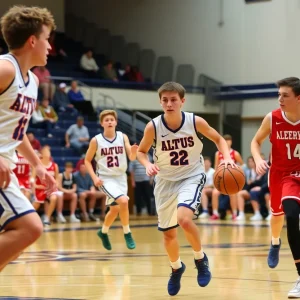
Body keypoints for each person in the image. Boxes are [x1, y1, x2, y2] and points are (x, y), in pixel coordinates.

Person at [137, 82, 235, 296]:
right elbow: (141, 152)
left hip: (191, 175)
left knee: (184, 219)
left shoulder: (194, 121)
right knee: (168, 235)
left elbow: (219, 139)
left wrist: (226, 158)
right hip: (164, 181)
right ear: (160, 102)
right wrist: (148, 165)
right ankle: (176, 267)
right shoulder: (153, 126)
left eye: (173, 100)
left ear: (183, 101)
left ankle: (200, 259)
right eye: (165, 100)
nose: (169, 104)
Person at [0, 5, 56, 271]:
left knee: (15, 245)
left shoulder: (32, 82)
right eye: (46, 39)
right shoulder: (4, 69)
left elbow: (17, 131)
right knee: (29, 227)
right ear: (32, 40)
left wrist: (37, 165)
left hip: (6, 165)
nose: (50, 47)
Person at [251, 77, 300, 298]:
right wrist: (258, 159)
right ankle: (274, 241)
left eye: (285, 95)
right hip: (281, 175)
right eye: (278, 94)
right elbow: (255, 141)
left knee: (291, 215)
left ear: (298, 98)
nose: (279, 99)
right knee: (279, 215)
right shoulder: (272, 118)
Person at [85, 110, 138, 251]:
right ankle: (127, 232)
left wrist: (133, 152)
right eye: (106, 120)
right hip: (105, 178)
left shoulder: (122, 137)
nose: (109, 122)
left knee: (114, 210)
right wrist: (94, 178)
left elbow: (131, 157)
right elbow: (87, 160)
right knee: (124, 201)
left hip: (121, 177)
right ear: (102, 123)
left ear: (116, 122)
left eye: (111, 119)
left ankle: (103, 232)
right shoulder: (96, 140)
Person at [209, 134, 244, 220]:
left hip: (232, 180)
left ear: (231, 142)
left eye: (229, 140)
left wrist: (236, 173)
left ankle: (234, 213)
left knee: (233, 193)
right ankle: (215, 213)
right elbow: (216, 167)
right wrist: (215, 181)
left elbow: (242, 166)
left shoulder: (235, 153)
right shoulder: (218, 154)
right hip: (221, 180)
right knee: (214, 193)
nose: (227, 142)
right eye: (225, 141)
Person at [32, 146, 59, 226]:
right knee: (36, 204)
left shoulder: (54, 165)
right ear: (42, 154)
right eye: (46, 152)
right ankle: (26, 218)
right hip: (40, 188)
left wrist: (55, 185)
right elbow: (32, 180)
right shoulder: (37, 165)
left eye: (49, 152)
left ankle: (47, 218)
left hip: (50, 189)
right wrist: (36, 186)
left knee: (54, 198)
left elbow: (57, 179)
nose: (48, 153)